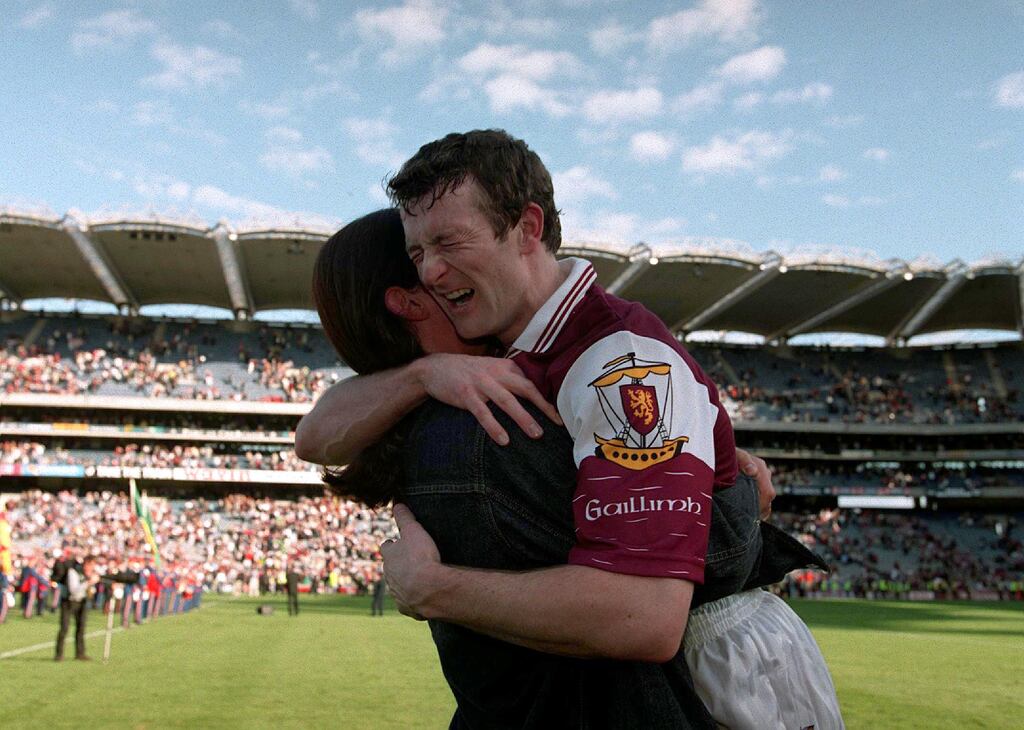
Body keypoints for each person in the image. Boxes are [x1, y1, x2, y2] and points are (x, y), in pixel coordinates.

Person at [298, 205, 835, 728]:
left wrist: (700, 445)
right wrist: (730, 488)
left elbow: (314, 435)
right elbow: (677, 583)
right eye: (427, 261)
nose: (453, 276)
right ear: (408, 302)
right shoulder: (492, 426)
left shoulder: (424, 419)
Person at [55, 555, 94, 661]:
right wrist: (88, 583)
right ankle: (59, 654)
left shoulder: (89, 574)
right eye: (89, 566)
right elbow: (74, 590)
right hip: (69, 601)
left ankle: (80, 653)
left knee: (81, 628)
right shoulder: (73, 572)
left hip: (81, 602)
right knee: (64, 628)